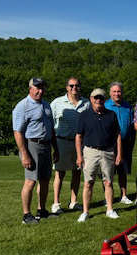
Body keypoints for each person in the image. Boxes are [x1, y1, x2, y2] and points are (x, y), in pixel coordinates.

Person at [12, 77, 59, 224]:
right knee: (30, 181)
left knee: (45, 180)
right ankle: (27, 215)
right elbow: (18, 132)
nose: (40, 90)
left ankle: (42, 210)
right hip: (31, 145)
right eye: (37, 88)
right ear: (30, 89)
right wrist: (24, 154)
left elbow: (51, 129)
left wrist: (56, 149)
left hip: (46, 145)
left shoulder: (46, 105)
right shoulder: (23, 106)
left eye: (42, 88)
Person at [75, 88, 122, 222]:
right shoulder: (84, 115)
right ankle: (85, 211)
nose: (98, 101)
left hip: (108, 151)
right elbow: (78, 137)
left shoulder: (111, 115)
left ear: (104, 100)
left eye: (101, 98)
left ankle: (110, 210)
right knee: (88, 182)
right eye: (96, 98)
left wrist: (119, 153)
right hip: (90, 152)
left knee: (108, 182)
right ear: (91, 99)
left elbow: (117, 135)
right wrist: (79, 156)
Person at [50, 77, 90, 214]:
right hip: (62, 141)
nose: (74, 88)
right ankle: (56, 203)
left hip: (80, 143)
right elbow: (50, 123)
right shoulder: (57, 102)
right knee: (60, 173)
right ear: (67, 87)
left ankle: (74, 201)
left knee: (77, 172)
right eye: (71, 86)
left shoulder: (86, 103)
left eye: (77, 85)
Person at [105, 82, 134, 204]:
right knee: (108, 171)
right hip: (110, 143)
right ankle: (107, 198)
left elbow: (132, 124)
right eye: (114, 91)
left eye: (119, 91)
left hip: (125, 142)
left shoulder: (127, 106)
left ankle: (123, 195)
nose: (117, 94)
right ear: (110, 93)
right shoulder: (106, 105)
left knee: (122, 170)